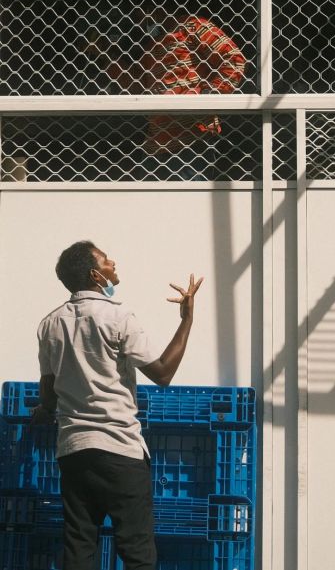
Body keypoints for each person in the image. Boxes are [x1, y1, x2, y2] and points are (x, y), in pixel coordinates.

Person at [31, 240, 203, 570]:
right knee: (136, 550)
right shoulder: (119, 316)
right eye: (107, 261)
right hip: (119, 449)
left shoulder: (49, 325)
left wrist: (42, 412)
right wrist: (186, 320)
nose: (114, 264)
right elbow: (163, 372)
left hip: (73, 451)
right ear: (97, 275)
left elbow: (48, 390)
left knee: (79, 546)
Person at [84, 7, 247, 159]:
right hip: (157, 144)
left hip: (192, 140)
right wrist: (104, 54)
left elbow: (234, 60)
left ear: (153, 8)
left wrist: (205, 96)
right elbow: (137, 84)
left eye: (141, 11)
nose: (139, 19)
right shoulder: (153, 44)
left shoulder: (193, 26)